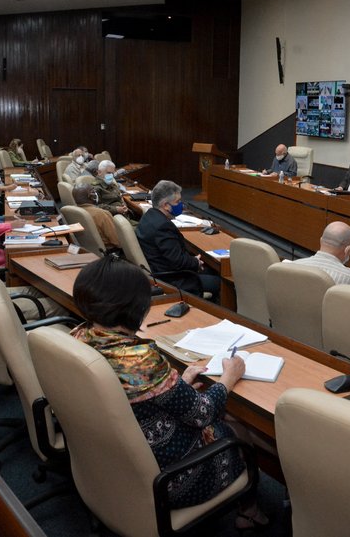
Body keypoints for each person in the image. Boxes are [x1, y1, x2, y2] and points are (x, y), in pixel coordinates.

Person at [70, 256, 267, 527]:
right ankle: (250, 513)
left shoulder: (79, 335)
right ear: (136, 307)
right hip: (169, 478)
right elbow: (204, 414)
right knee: (239, 431)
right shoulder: (140, 360)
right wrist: (229, 378)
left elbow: (136, 393)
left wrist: (177, 382)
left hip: (109, 461)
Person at [136, 180, 219, 297]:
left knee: (210, 269)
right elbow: (178, 261)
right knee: (218, 282)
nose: (182, 205)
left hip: (159, 268)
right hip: (171, 278)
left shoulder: (149, 216)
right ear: (166, 205)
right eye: (178, 201)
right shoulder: (163, 227)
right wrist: (195, 261)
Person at [72, 183, 121, 249]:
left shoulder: (73, 211)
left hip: (87, 249)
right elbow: (117, 242)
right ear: (91, 196)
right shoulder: (101, 214)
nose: (96, 193)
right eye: (93, 191)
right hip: (110, 251)